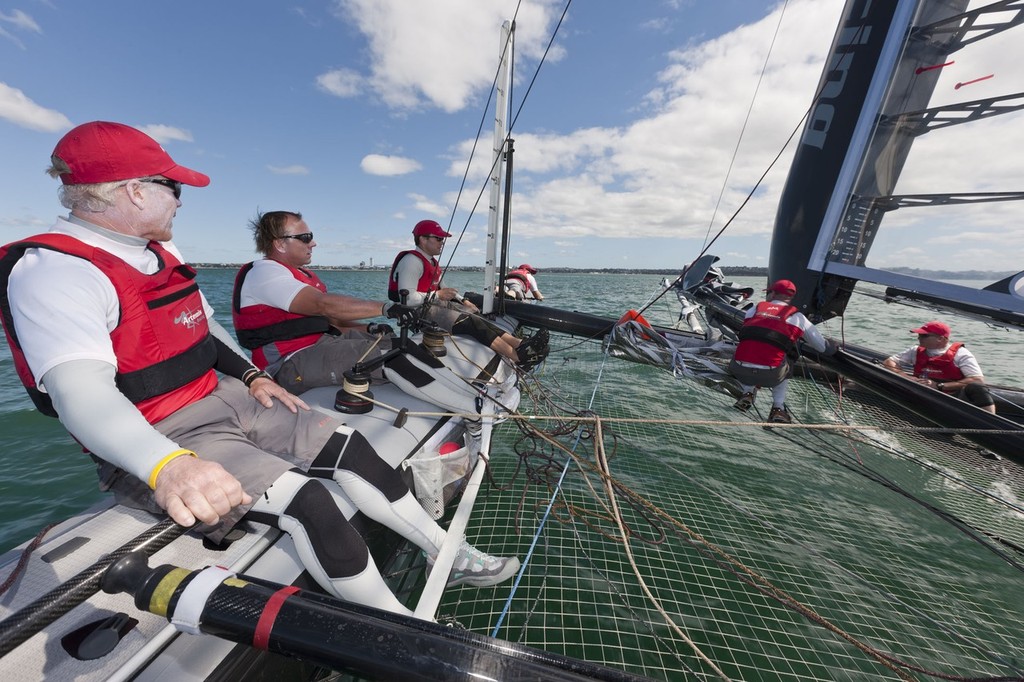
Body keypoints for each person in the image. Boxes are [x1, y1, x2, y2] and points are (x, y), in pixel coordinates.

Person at [0, 121, 518, 618]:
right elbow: (79, 395)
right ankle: (410, 632)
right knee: (310, 502)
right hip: (165, 430)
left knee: (351, 450)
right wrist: (168, 467)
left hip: (229, 395)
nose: (180, 199)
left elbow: (203, 328)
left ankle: (446, 556)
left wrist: (252, 376)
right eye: (174, 187)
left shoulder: (159, 253)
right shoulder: (56, 272)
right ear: (136, 191)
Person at [232, 210, 511, 418]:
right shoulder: (265, 273)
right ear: (279, 243)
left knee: (404, 345)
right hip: (289, 363)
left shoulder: (302, 275)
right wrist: (386, 307)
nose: (312, 243)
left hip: (320, 345)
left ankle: (468, 392)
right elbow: (324, 306)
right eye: (305, 238)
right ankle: (476, 409)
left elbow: (332, 323)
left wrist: (372, 328)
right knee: (393, 355)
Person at [388, 220, 548, 369]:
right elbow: (407, 300)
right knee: (470, 322)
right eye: (438, 238)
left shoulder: (431, 262)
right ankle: (518, 358)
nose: (441, 243)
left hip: (432, 306)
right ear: (422, 239)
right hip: (417, 313)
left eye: (442, 239)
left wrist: (464, 301)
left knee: (477, 317)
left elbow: (442, 288)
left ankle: (520, 344)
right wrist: (438, 295)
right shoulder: (412, 261)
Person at [727, 279, 833, 423]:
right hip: (772, 376)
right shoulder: (797, 317)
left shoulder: (753, 310)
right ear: (790, 297)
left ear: (773, 293)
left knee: (754, 346)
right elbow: (821, 347)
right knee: (789, 355)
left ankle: (748, 393)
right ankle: (778, 408)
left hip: (738, 371)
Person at [882, 320, 996, 414]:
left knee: (978, 388)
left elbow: (977, 380)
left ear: (940, 338)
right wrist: (905, 376)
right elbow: (889, 362)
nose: (919, 338)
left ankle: (991, 424)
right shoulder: (915, 350)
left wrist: (939, 386)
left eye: (924, 335)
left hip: (951, 398)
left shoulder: (961, 353)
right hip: (922, 395)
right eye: (919, 335)